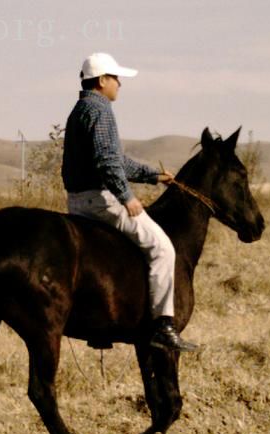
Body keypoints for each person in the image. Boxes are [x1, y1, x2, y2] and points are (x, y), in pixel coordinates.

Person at [61, 52, 196, 352]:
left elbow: (117, 160)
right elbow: (109, 162)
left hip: (78, 203)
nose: (119, 83)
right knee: (162, 248)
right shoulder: (101, 109)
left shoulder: (79, 109)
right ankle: (163, 325)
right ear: (101, 80)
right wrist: (127, 198)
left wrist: (152, 176)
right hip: (102, 200)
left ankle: (100, 326)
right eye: (115, 78)